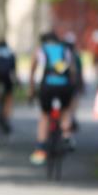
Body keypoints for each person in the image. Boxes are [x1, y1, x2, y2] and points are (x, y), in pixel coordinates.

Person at [28, 31, 76, 165]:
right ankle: (66, 135)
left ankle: (41, 147)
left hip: (47, 87)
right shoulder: (65, 50)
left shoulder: (40, 50)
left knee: (44, 114)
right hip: (64, 86)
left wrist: (31, 90)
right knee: (65, 110)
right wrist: (72, 88)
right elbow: (72, 71)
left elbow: (32, 71)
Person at [62, 32, 85, 132]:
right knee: (72, 102)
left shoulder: (61, 53)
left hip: (61, 83)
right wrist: (81, 84)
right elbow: (79, 72)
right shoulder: (75, 55)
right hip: (71, 83)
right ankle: (71, 118)